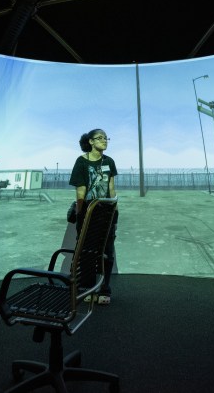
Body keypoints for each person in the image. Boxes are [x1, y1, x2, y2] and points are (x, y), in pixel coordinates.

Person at [69, 128, 118, 305]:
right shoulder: (81, 162)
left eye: (106, 138)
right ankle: (87, 287)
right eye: (100, 138)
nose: (104, 141)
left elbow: (111, 188)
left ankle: (104, 289)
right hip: (89, 212)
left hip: (107, 211)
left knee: (107, 251)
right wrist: (80, 213)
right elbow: (80, 191)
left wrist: (115, 209)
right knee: (87, 250)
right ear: (90, 141)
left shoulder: (109, 162)